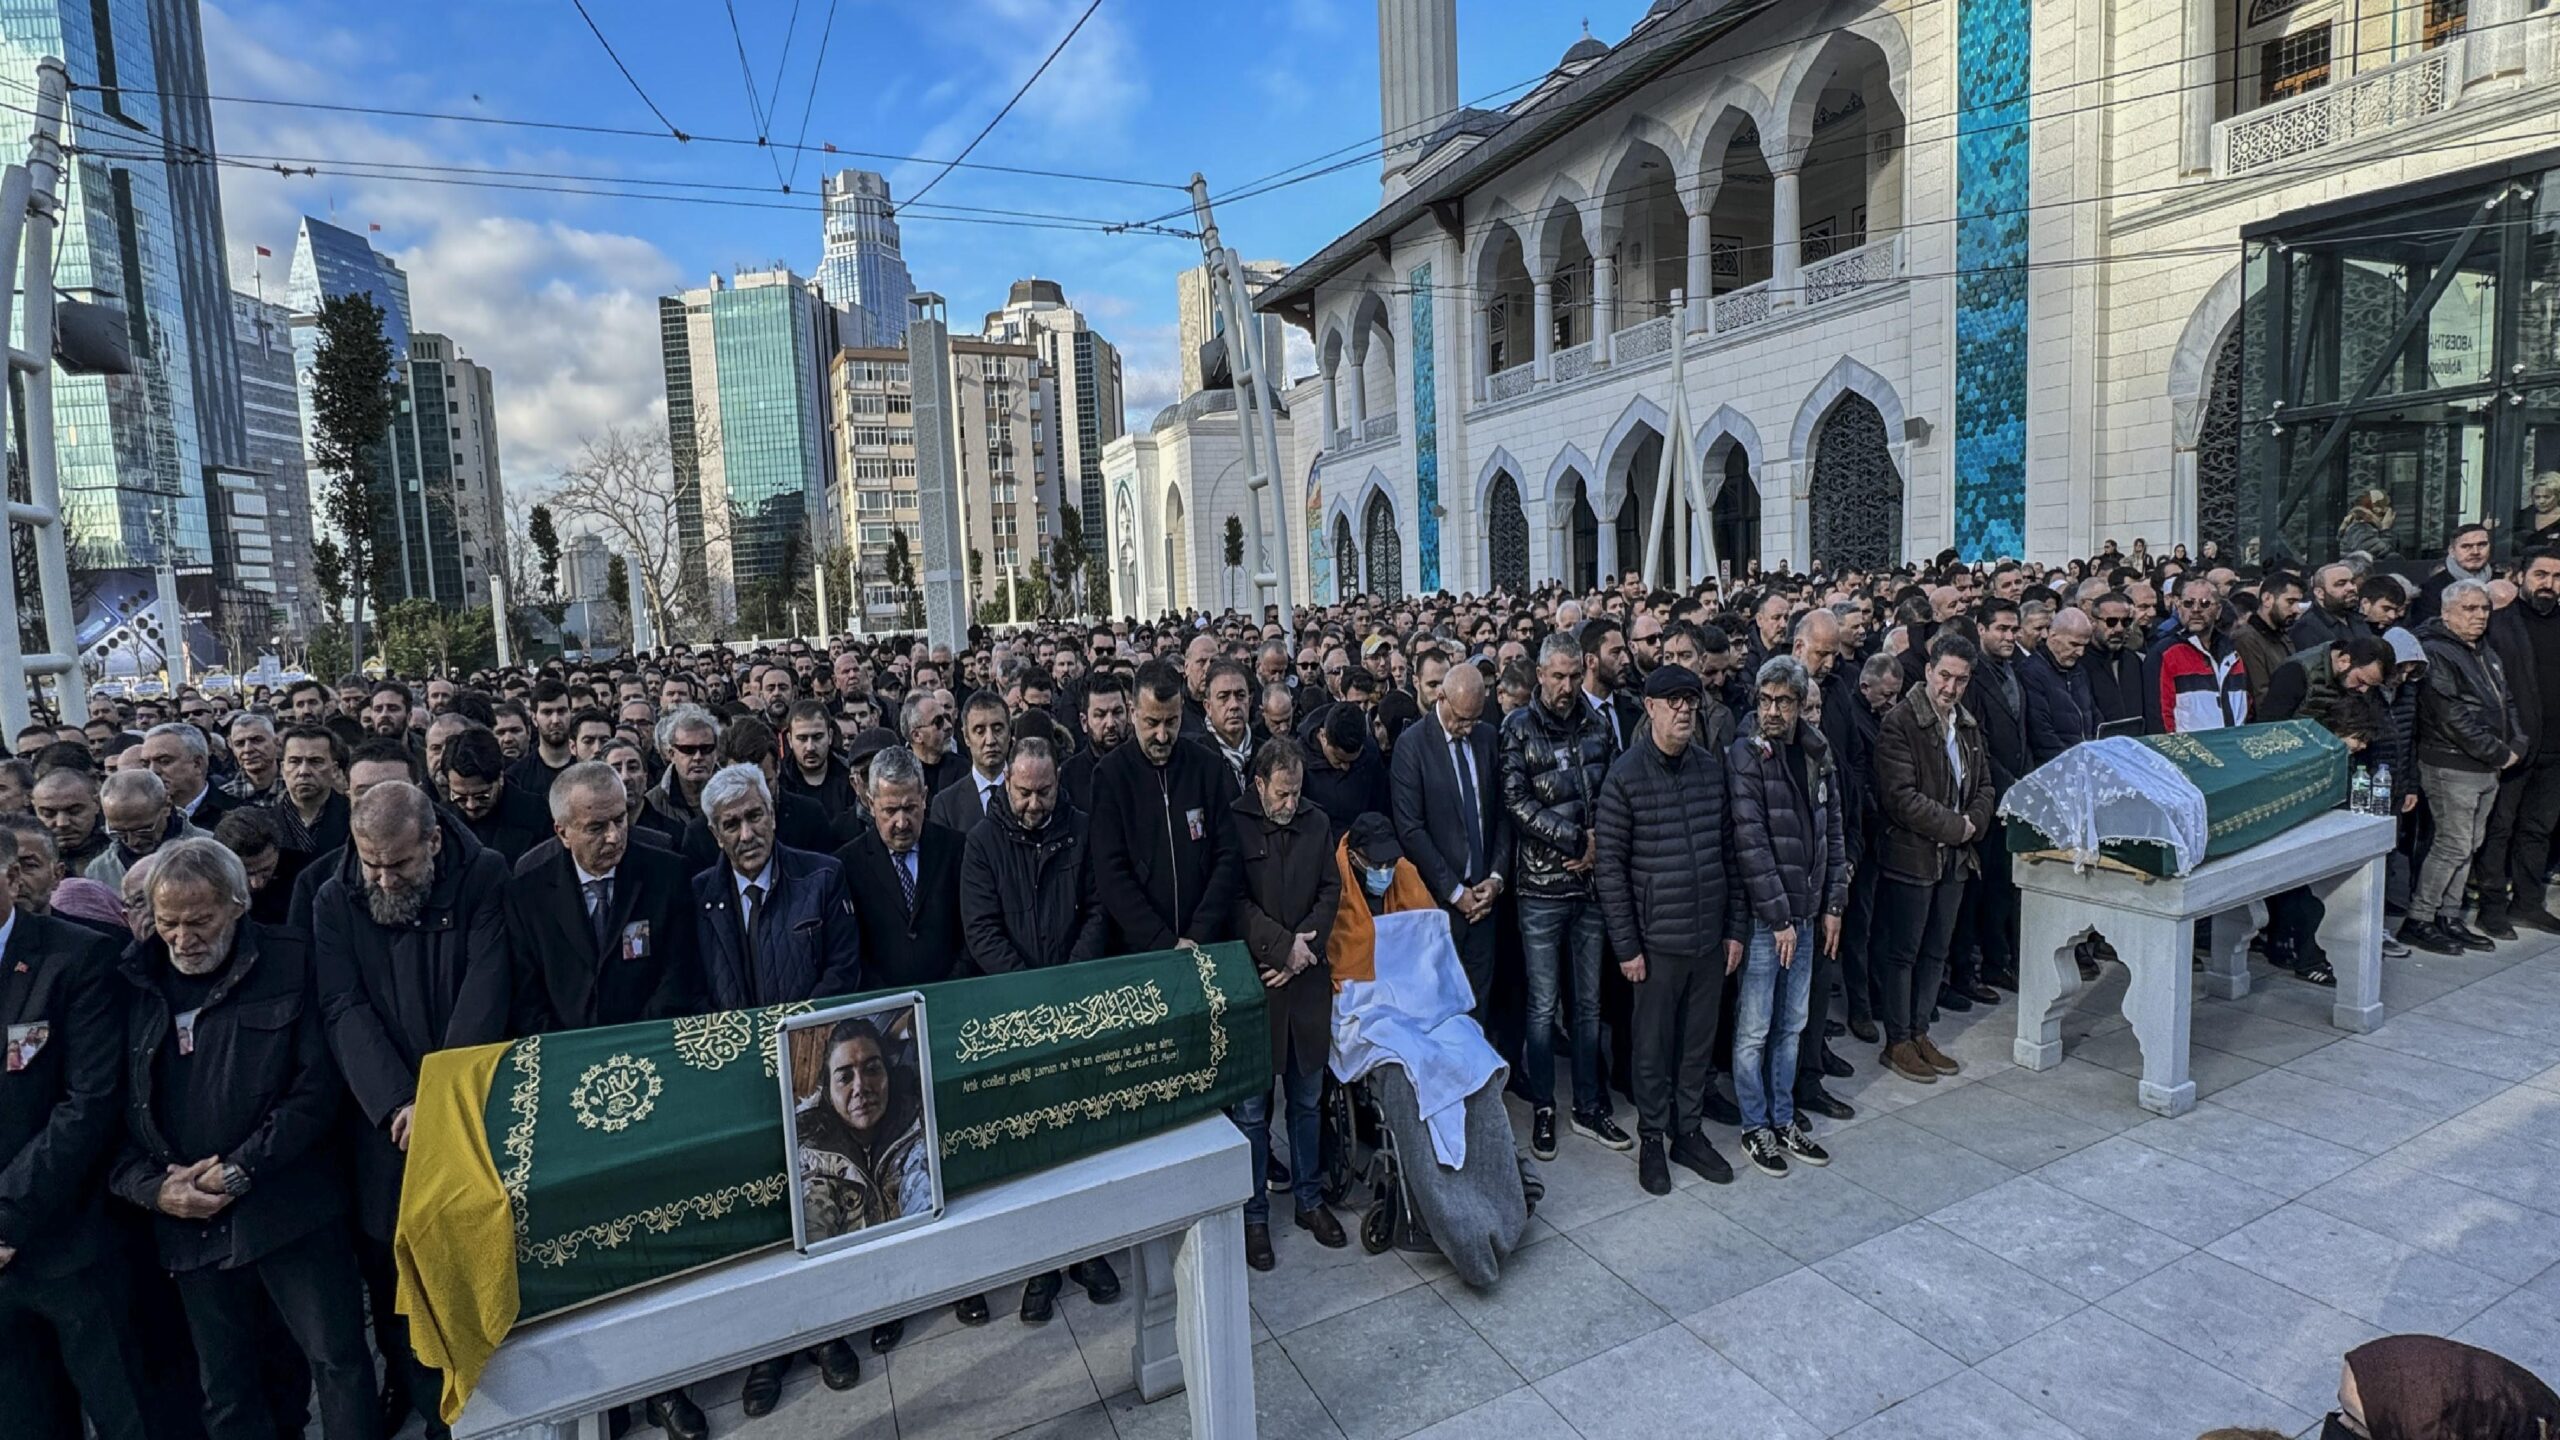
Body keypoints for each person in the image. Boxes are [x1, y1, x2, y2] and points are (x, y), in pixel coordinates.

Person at [113, 837, 375, 1440]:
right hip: (187, 1220)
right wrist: (155, 1190)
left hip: (290, 1208)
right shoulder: (130, 978)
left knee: (337, 1363)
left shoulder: (292, 958)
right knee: (227, 1386)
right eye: (168, 923)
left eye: (199, 920)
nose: (183, 939)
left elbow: (316, 1090)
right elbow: (109, 1106)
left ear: (238, 904)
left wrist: (240, 1169)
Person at [311, 779, 513, 1432]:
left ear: (432, 842)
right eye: (372, 864)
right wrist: (398, 1100)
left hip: (467, 1107)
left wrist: (440, 1098)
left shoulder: (483, 874)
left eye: (399, 864)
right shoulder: (333, 897)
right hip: (386, 1127)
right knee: (396, 1279)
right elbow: (343, 1006)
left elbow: (487, 983)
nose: (386, 880)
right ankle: (431, 1407)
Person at [687, 762, 865, 1411]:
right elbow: (697, 990)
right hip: (739, 1086)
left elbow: (845, 970)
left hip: (812, 1074)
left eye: (754, 815)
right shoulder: (699, 895)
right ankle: (766, 1351)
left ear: (772, 810)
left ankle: (827, 1334)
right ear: (715, 831)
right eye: (731, 823)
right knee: (759, 1223)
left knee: (818, 1207)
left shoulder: (821, 877)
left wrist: (802, 1045)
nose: (747, 831)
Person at [0, 825, 150, 1440]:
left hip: (73, 1242)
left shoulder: (76, 956)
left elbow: (89, 1102)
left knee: (128, 1417)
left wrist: (7, 1216)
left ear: (11, 877)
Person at [1592, 664, 1742, 1193]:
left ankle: (1689, 1131)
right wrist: (1627, 946)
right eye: (1672, 701)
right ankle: (1653, 1137)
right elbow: (1609, 867)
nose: (1683, 710)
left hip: (1707, 937)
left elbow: (1730, 853)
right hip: (1655, 944)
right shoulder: (1626, 775)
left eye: (1690, 701)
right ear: (1650, 708)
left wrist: (1735, 929)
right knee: (1652, 1049)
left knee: (1697, 1045)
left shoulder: (1708, 768)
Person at [1498, 630, 1627, 1160]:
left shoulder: (1599, 723)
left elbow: (1615, 788)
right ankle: (1546, 1106)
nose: (1567, 686)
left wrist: (1600, 846)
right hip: (1541, 887)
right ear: (1540, 675)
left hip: (1591, 884)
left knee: (1590, 1002)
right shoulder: (1517, 727)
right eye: (1557, 677)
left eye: (1575, 676)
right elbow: (1516, 800)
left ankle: (1590, 1104)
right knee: (1543, 1004)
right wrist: (1575, 839)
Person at [1725, 656, 1848, 1178]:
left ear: (1801, 706)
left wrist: (1833, 904)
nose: (1773, 711)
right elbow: (1750, 843)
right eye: (1766, 700)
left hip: (1807, 910)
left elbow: (1833, 832)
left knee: (1792, 1026)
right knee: (1755, 1027)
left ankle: (1783, 1117)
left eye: (1784, 701)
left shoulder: (1818, 753)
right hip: (1765, 920)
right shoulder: (1745, 755)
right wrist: (1777, 919)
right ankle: (1755, 1126)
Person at [1227, 739, 1344, 1267]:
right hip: (1259, 982)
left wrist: (1303, 951)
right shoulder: (1237, 822)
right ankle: (1254, 1217)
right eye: (1281, 793)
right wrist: (1279, 946)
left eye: (1296, 793)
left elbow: (1329, 890)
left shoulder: (1316, 822)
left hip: (1304, 980)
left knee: (1306, 1097)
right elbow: (1233, 901)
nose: (1290, 803)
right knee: (1253, 1110)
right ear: (1259, 785)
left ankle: (1309, 1198)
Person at [1872, 634, 1993, 1085]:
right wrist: (1955, 827)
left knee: (1936, 951)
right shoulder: (1901, 722)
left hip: (1955, 860)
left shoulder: (1966, 725)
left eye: (1961, 680)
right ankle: (1897, 1038)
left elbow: (1985, 785)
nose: (1951, 687)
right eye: (1944, 676)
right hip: (1913, 857)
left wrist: (1973, 824)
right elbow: (1900, 797)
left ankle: (1921, 1031)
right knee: (1904, 952)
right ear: (1928, 671)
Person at [506, 761, 704, 1032]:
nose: (613, 837)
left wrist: (635, 1038)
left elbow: (678, 975)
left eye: (620, 819)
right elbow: (528, 997)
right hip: (565, 1054)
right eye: (596, 828)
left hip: (652, 1040)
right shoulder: (528, 896)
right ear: (563, 833)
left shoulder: (668, 876)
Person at [1087, 661, 1242, 955]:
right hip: (1139, 950)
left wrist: (1199, 932)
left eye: (1171, 722)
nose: (1162, 735)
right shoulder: (1110, 776)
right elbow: (1111, 873)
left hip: (1206, 941)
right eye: (1152, 723)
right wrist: (1163, 941)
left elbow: (1227, 854)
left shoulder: (1206, 766)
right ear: (1133, 713)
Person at [2404, 579, 2522, 955]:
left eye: (2484, 608)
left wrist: (2517, 742)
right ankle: (2419, 919)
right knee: (2452, 844)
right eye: (2469, 609)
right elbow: (2449, 716)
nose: (2479, 616)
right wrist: (2499, 752)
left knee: (2469, 845)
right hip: (2451, 764)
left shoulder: (2484, 651)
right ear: (2446, 612)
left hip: (2485, 764)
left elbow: (2507, 699)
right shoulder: (2437, 652)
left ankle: (2449, 915)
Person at [1388, 659, 1510, 1011]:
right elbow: (1411, 830)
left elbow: (1501, 812)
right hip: (1439, 903)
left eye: (1474, 719)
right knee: (1441, 1008)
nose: (1467, 729)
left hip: (1485, 898)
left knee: (1480, 1003)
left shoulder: (1487, 737)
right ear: (1440, 696)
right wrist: (1456, 893)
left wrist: (1496, 878)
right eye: (1460, 719)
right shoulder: (1413, 746)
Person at [2476, 545, 2560, 936]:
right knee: (2499, 828)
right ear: (2520, 577)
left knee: (2538, 828)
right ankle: (2491, 907)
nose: (2549, 584)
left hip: (2556, 751)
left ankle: (2528, 903)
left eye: (2557, 577)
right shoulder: (2497, 623)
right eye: (2541, 575)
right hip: (2513, 747)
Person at [838, 747, 967, 994]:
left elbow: (971, 933)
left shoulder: (956, 850)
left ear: (925, 797)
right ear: (870, 803)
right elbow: (851, 950)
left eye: (910, 808)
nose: (901, 822)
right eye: (890, 810)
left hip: (954, 996)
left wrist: (950, 989)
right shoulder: (848, 865)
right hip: (883, 1011)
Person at [793, 1016, 931, 1238]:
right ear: (828, 1092)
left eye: (872, 1070)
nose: (861, 1087)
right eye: (845, 1077)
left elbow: (924, 1191)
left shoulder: (918, 1131)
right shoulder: (811, 1159)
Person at [2146, 576, 2250, 733]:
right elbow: (2159, 717)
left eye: (2204, 604)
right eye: (2188, 603)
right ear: (2178, 607)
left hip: (2231, 747)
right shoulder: (2164, 653)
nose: (2195, 610)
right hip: (2188, 752)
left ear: (2218, 610)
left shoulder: (2232, 653)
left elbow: (2246, 706)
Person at [439, 725, 549, 865]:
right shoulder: (442, 820)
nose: (471, 805)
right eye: (460, 797)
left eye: (482, 796)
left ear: (500, 778)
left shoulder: (538, 814)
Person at [926, 691, 1011, 833]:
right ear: (966, 737)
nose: (990, 740)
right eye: (980, 731)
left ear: (1009, 733)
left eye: (997, 729)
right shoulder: (946, 805)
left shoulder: (1030, 793)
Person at [2021, 606, 2097, 764]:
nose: (2081, 653)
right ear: (2053, 636)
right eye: (2074, 644)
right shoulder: (2032, 672)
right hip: (2055, 767)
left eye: (2084, 646)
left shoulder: (2079, 671)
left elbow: (2093, 714)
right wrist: (2070, 763)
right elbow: (2041, 732)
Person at [141, 721, 233, 828]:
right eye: (145, 764)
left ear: (197, 764)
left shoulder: (235, 814)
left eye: (164, 761)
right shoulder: (137, 818)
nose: (152, 771)